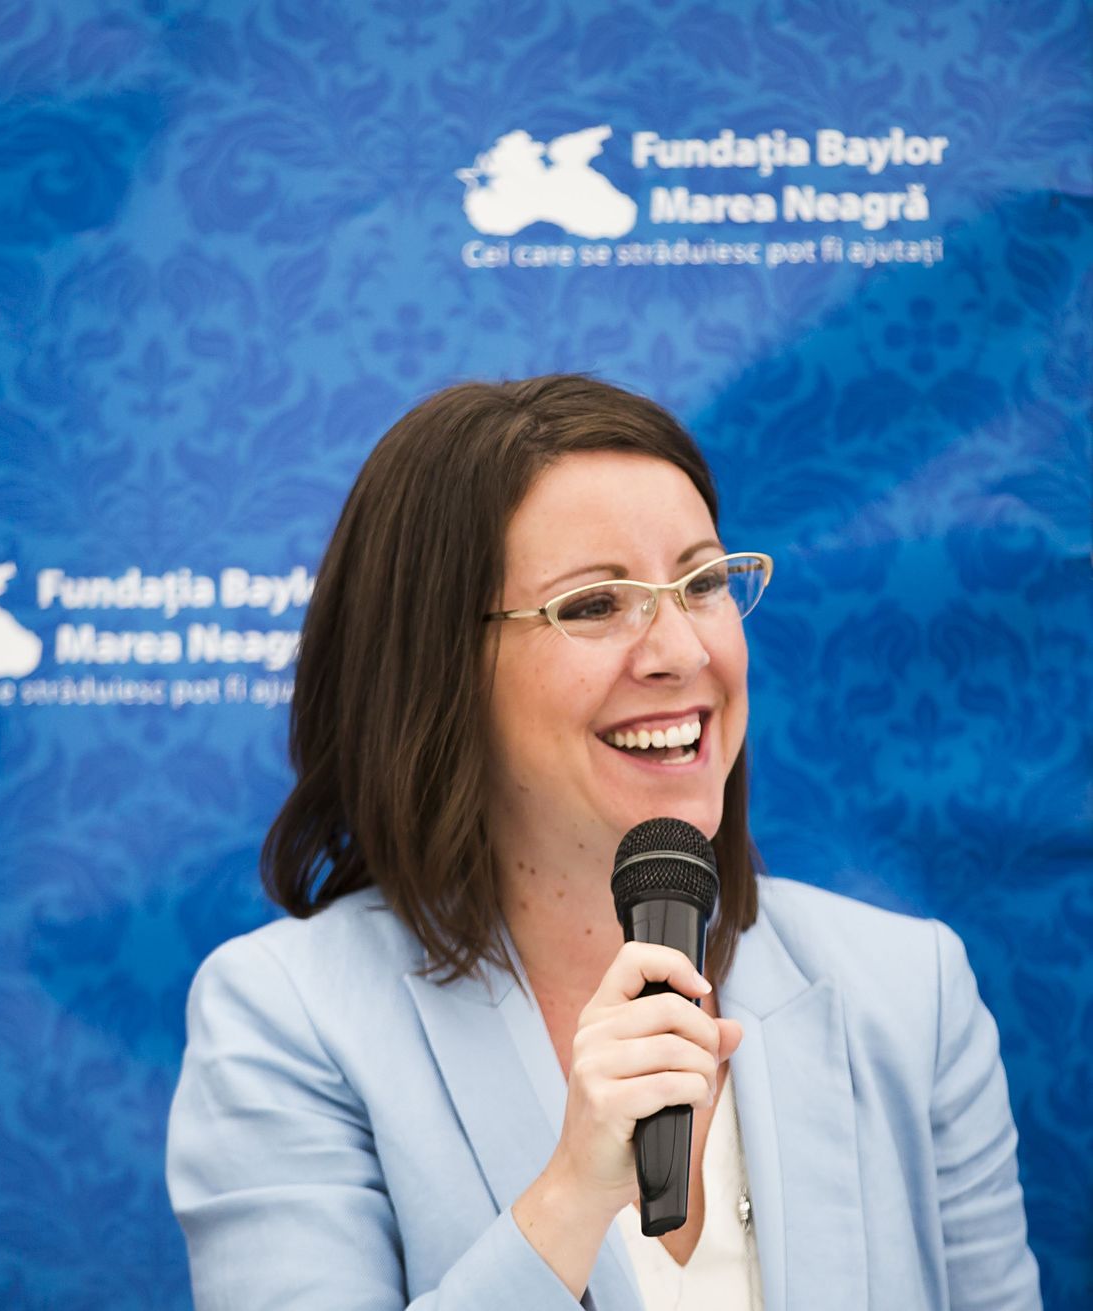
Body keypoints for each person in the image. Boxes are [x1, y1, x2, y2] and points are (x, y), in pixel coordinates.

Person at [165, 376, 1039, 1309]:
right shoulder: (286, 1019)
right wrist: (570, 1197)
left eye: (702, 584)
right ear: (437, 669)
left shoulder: (913, 993)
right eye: (594, 604)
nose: (683, 651)